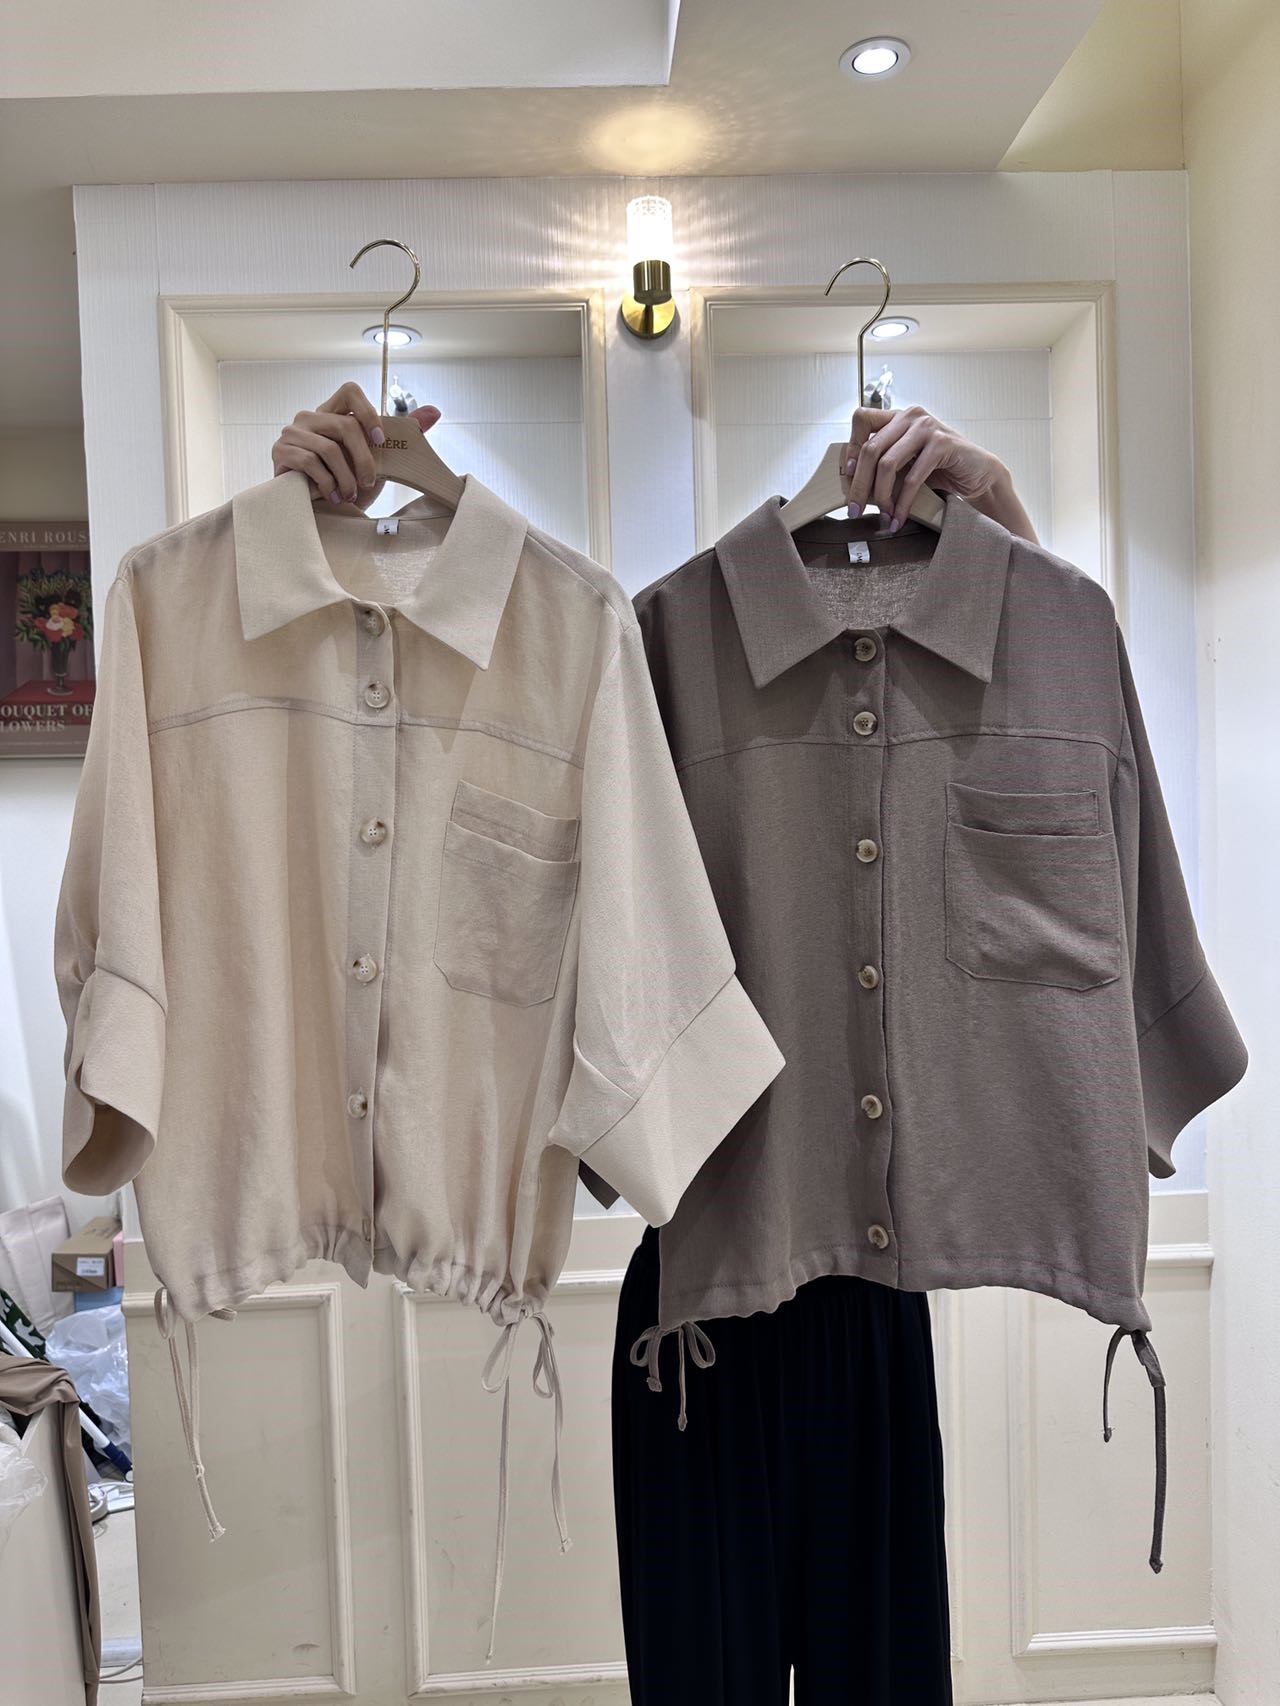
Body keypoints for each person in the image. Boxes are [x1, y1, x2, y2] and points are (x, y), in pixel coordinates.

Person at [269, 382, 1040, 546]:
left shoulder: (585, 626)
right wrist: (285, 524)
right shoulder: (671, 632)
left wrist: (995, 493)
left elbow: (1071, 655)